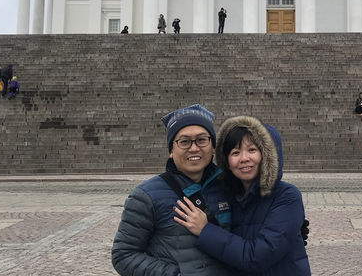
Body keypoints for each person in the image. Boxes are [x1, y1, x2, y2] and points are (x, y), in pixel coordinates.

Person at [175, 115, 311, 275]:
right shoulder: (227, 195)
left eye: (252, 150)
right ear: (226, 160)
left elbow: (256, 258)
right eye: (235, 152)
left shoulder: (287, 196)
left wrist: (205, 230)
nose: (244, 159)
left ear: (267, 155)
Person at [112, 104, 234, 276]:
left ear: (213, 147)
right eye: (184, 141)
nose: (193, 148)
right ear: (171, 150)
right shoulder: (145, 196)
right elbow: (123, 255)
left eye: (201, 139)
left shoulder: (230, 187)